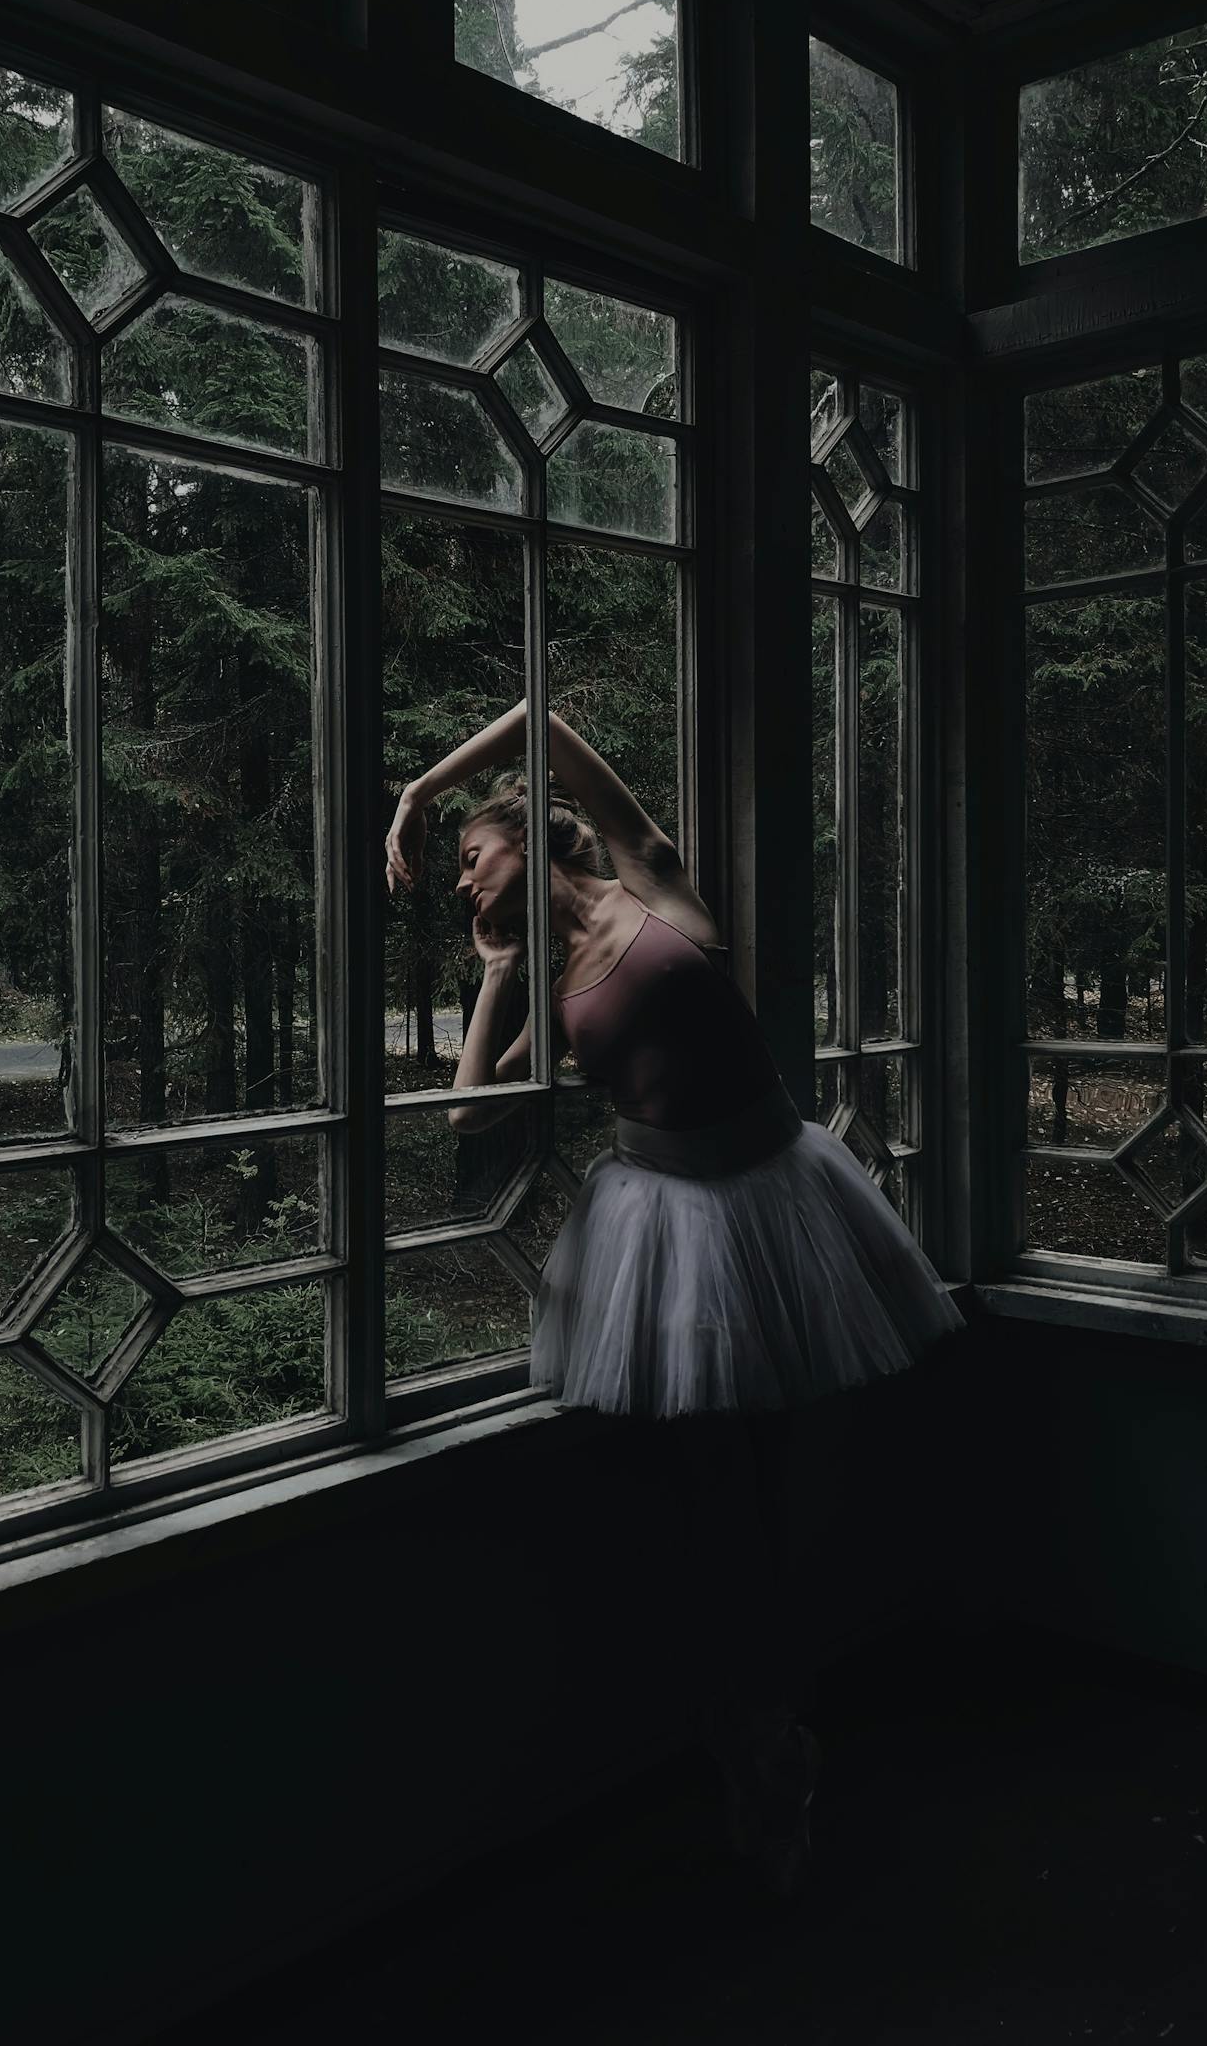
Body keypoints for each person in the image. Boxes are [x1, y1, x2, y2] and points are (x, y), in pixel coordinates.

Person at [384, 699, 965, 1896]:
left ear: (529, 841)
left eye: (469, 858)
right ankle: (752, 1746)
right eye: (452, 869)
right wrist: (496, 976)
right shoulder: (549, 986)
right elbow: (461, 1113)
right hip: (665, 1226)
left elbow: (540, 719)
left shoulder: (650, 883)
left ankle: (769, 1734)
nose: (458, 882)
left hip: (775, 1201)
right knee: (717, 1503)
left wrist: (415, 794)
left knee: (785, 1486)